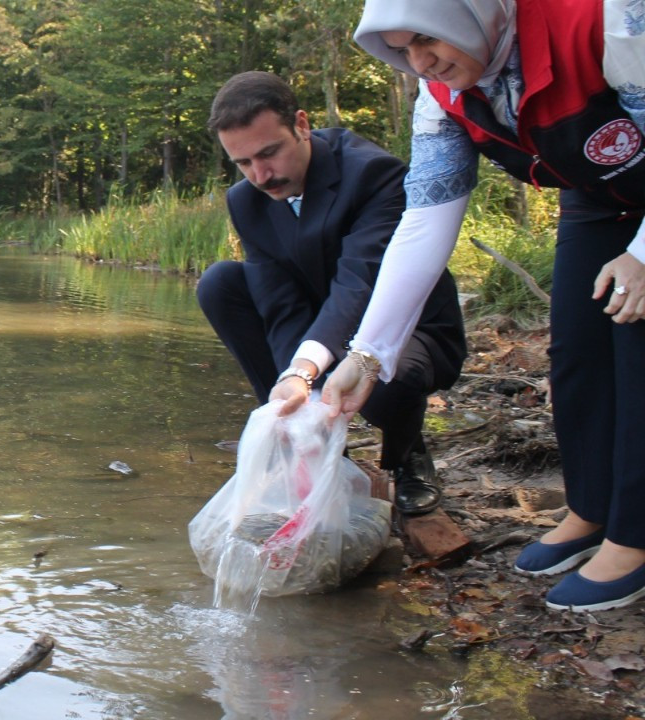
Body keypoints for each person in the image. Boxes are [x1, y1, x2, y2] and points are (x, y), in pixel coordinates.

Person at [330, 0, 645, 611]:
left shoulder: (606, 22)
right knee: (576, 346)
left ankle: (635, 537)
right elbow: (423, 225)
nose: (418, 61)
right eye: (402, 50)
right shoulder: (440, 96)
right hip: (596, 194)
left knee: (636, 327)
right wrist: (366, 358)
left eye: (425, 38)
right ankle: (593, 509)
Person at [196, 71, 468, 515]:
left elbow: (358, 284)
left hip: (402, 329)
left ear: (301, 125)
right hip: (319, 325)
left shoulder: (373, 174)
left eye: (270, 153)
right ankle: (310, 444)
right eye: (243, 163)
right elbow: (277, 302)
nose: (261, 175)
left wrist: (307, 367)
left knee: (381, 378)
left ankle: (408, 456)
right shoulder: (246, 200)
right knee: (220, 283)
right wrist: (295, 382)